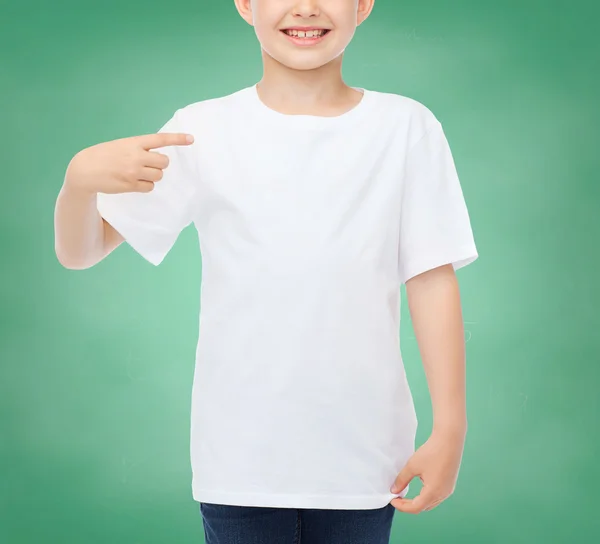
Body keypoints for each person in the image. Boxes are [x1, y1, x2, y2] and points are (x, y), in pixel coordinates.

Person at [54, 0, 478, 542]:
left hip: (366, 460)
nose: (305, 7)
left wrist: (451, 427)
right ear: (246, 4)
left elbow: (431, 278)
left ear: (363, 4)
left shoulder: (405, 127)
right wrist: (78, 183)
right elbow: (81, 251)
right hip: (240, 463)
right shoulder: (200, 130)